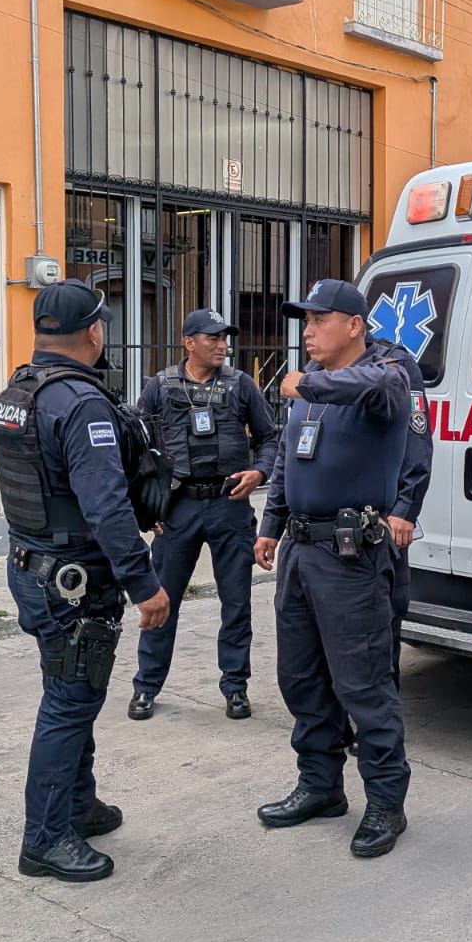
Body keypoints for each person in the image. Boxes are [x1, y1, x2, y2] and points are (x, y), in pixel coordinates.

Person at [0, 280, 170, 885]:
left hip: (31, 565)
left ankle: (77, 803)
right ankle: (45, 840)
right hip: (71, 579)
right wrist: (144, 583)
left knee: (74, 690)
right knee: (69, 702)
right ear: (94, 332)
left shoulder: (18, 391)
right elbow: (107, 506)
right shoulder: (80, 402)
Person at [254, 279, 413, 860]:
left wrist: (308, 382)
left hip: (352, 559)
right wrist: (270, 524)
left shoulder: (384, 378)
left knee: (363, 685)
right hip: (301, 552)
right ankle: (321, 786)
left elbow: (380, 386)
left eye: (320, 320)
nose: (308, 331)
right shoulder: (310, 389)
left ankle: (386, 803)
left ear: (354, 326)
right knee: (301, 678)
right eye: (306, 321)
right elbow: (287, 461)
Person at [128, 309, 278, 723]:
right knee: (161, 600)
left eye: (225, 338)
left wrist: (259, 472)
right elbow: (138, 450)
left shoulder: (241, 385)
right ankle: (146, 686)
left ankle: (235, 686)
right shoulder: (160, 387)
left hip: (230, 505)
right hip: (179, 508)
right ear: (189, 342)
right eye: (213, 338)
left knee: (237, 603)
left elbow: (270, 438)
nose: (222, 345)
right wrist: (146, 508)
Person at [365, 329, 432, 688]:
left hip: (381, 517)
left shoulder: (394, 362)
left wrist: (406, 507)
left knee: (384, 614)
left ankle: (379, 706)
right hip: (331, 521)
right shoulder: (318, 369)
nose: (310, 331)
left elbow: (416, 440)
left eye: (319, 320)